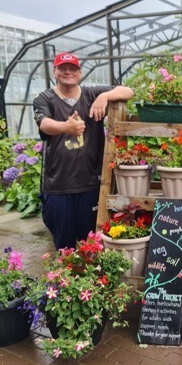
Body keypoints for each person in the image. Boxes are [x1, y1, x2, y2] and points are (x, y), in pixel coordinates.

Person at [33, 52, 134, 251]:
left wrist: (104, 97)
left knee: (92, 245)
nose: (67, 72)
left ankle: (90, 282)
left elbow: (128, 91)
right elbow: (44, 124)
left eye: (72, 69)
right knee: (64, 247)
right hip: (58, 187)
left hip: (90, 186)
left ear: (80, 73)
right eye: (63, 68)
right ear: (55, 71)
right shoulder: (45, 99)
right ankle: (65, 279)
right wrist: (65, 127)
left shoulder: (91, 94)